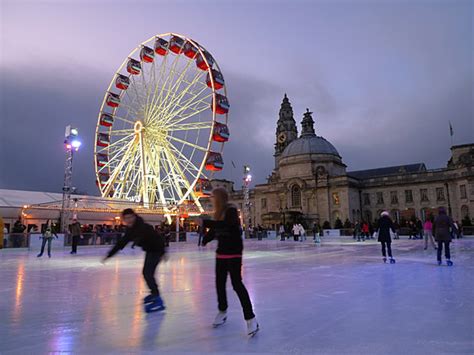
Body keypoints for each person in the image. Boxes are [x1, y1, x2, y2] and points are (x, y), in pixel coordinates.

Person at [202, 188, 259, 336]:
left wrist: (206, 223)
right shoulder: (219, 213)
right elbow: (216, 229)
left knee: (236, 284)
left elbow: (226, 225)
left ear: (219, 197)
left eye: (213, 197)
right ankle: (222, 310)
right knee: (219, 283)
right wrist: (206, 239)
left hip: (233, 252)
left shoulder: (231, 210)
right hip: (221, 252)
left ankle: (250, 318)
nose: (211, 199)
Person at [102, 209, 167, 312]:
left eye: (130, 217)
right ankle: (154, 294)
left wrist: (163, 252)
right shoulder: (131, 230)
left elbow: (158, 239)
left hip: (156, 251)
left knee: (148, 274)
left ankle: (157, 298)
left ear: (134, 216)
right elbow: (121, 243)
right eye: (126, 218)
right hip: (150, 251)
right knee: (147, 273)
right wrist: (109, 255)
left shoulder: (144, 227)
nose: (128, 220)